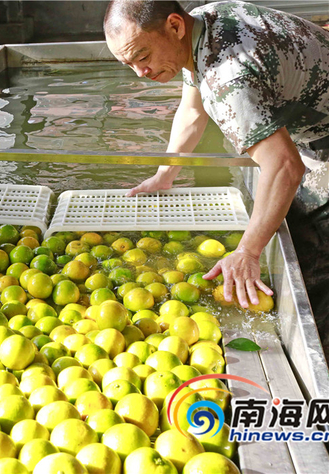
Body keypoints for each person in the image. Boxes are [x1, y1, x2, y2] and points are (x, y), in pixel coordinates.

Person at [103, 1, 329, 317]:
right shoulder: (204, 20)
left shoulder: (227, 77)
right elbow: (193, 110)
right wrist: (165, 174)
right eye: (128, 63)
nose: (141, 73)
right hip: (314, 111)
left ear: (174, 25)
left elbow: (285, 165)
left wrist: (247, 252)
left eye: (143, 57)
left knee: (313, 266)